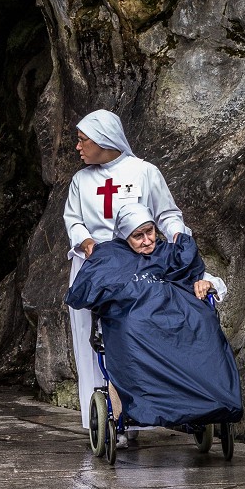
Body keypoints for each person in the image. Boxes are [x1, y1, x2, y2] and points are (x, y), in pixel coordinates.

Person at [66, 202, 242, 429]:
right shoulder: (109, 258)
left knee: (206, 325)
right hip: (136, 326)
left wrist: (207, 283)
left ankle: (211, 402)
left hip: (181, 320)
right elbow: (84, 292)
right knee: (134, 330)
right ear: (124, 236)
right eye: (138, 236)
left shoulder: (170, 254)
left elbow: (202, 276)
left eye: (149, 232)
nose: (147, 240)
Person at [63, 109, 185, 430]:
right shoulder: (80, 180)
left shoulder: (144, 172)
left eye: (82, 140)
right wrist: (87, 242)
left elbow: (167, 213)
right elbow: (73, 221)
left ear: (104, 140)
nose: (77, 147)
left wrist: (177, 236)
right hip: (92, 268)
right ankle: (101, 418)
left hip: (137, 267)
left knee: (138, 334)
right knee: (91, 342)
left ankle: (143, 410)